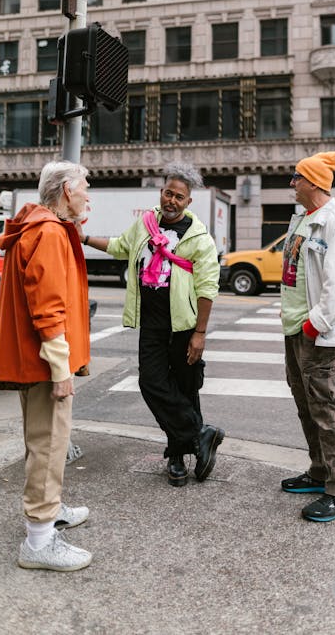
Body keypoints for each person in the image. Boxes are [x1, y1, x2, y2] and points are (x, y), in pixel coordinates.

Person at [80, 163, 224, 487]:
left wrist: (199, 334)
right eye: (168, 193)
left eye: (180, 196)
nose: (172, 200)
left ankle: (179, 455)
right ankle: (201, 435)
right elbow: (120, 246)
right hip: (152, 324)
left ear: (189, 201)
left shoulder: (199, 238)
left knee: (185, 390)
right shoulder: (145, 225)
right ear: (161, 192)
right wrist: (85, 237)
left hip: (184, 326)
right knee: (151, 384)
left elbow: (208, 288)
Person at [0, 161, 93, 571]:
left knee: (44, 443)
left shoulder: (37, 227)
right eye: (85, 187)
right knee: (49, 445)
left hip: (35, 361)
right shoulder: (48, 232)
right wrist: (61, 369)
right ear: (67, 190)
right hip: (43, 364)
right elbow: (48, 309)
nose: (88, 194)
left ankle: (50, 512)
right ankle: (39, 539)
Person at [280, 151, 335, 522]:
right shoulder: (304, 218)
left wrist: (315, 323)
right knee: (307, 405)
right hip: (295, 328)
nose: (292, 184)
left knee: (327, 409)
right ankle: (319, 472)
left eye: (297, 178)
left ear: (313, 182)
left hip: (316, 332)